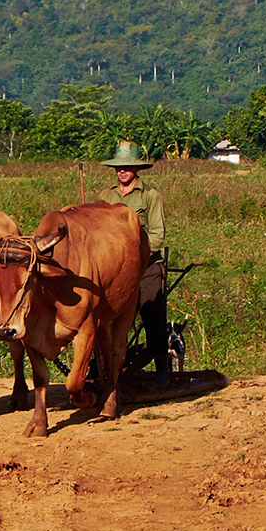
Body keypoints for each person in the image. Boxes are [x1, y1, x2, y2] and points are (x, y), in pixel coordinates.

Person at [99, 140, 172, 377]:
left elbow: (157, 235)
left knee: (153, 317)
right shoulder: (105, 196)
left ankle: (163, 372)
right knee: (106, 322)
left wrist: (136, 255)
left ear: (137, 169)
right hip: (113, 271)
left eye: (127, 166)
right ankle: (103, 372)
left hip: (146, 267)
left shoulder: (150, 196)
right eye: (118, 167)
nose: (122, 170)